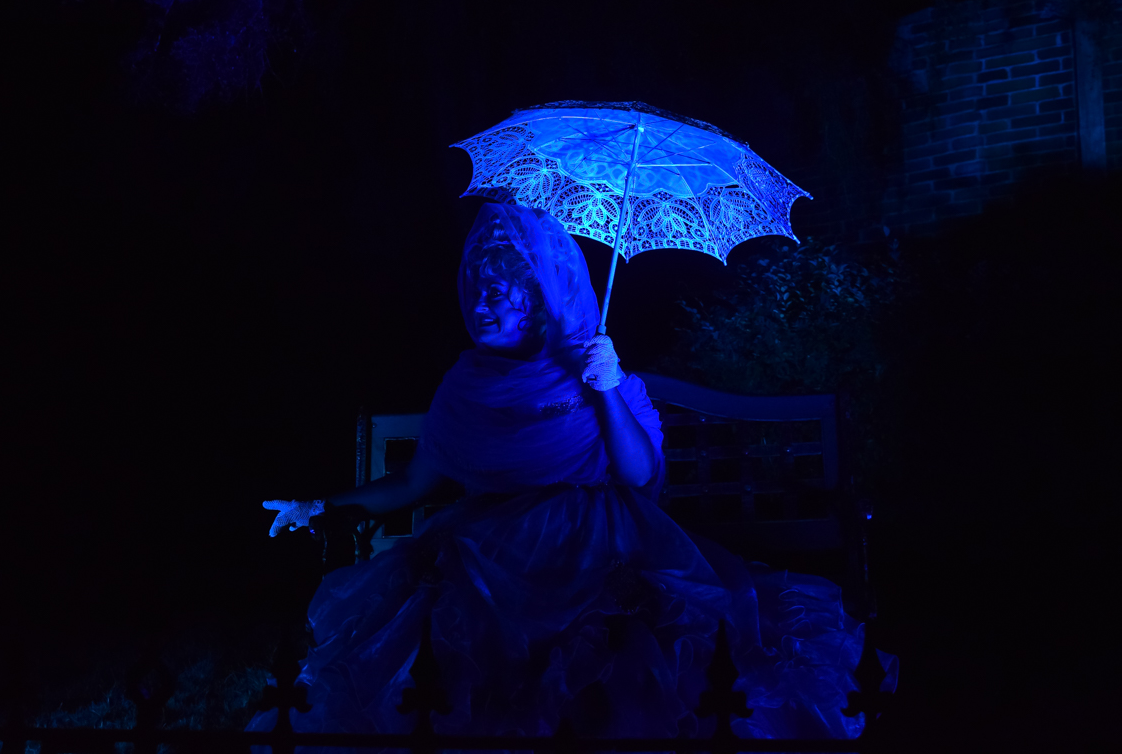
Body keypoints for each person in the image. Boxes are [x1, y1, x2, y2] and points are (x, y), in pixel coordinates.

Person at [253, 203, 895, 743]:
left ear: (536, 302)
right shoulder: (465, 386)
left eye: (499, 292)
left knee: (615, 651)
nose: (481, 303)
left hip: (599, 544)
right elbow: (413, 483)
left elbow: (639, 476)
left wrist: (607, 388)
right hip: (492, 553)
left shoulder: (590, 367)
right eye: (476, 288)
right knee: (461, 644)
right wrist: (321, 506)